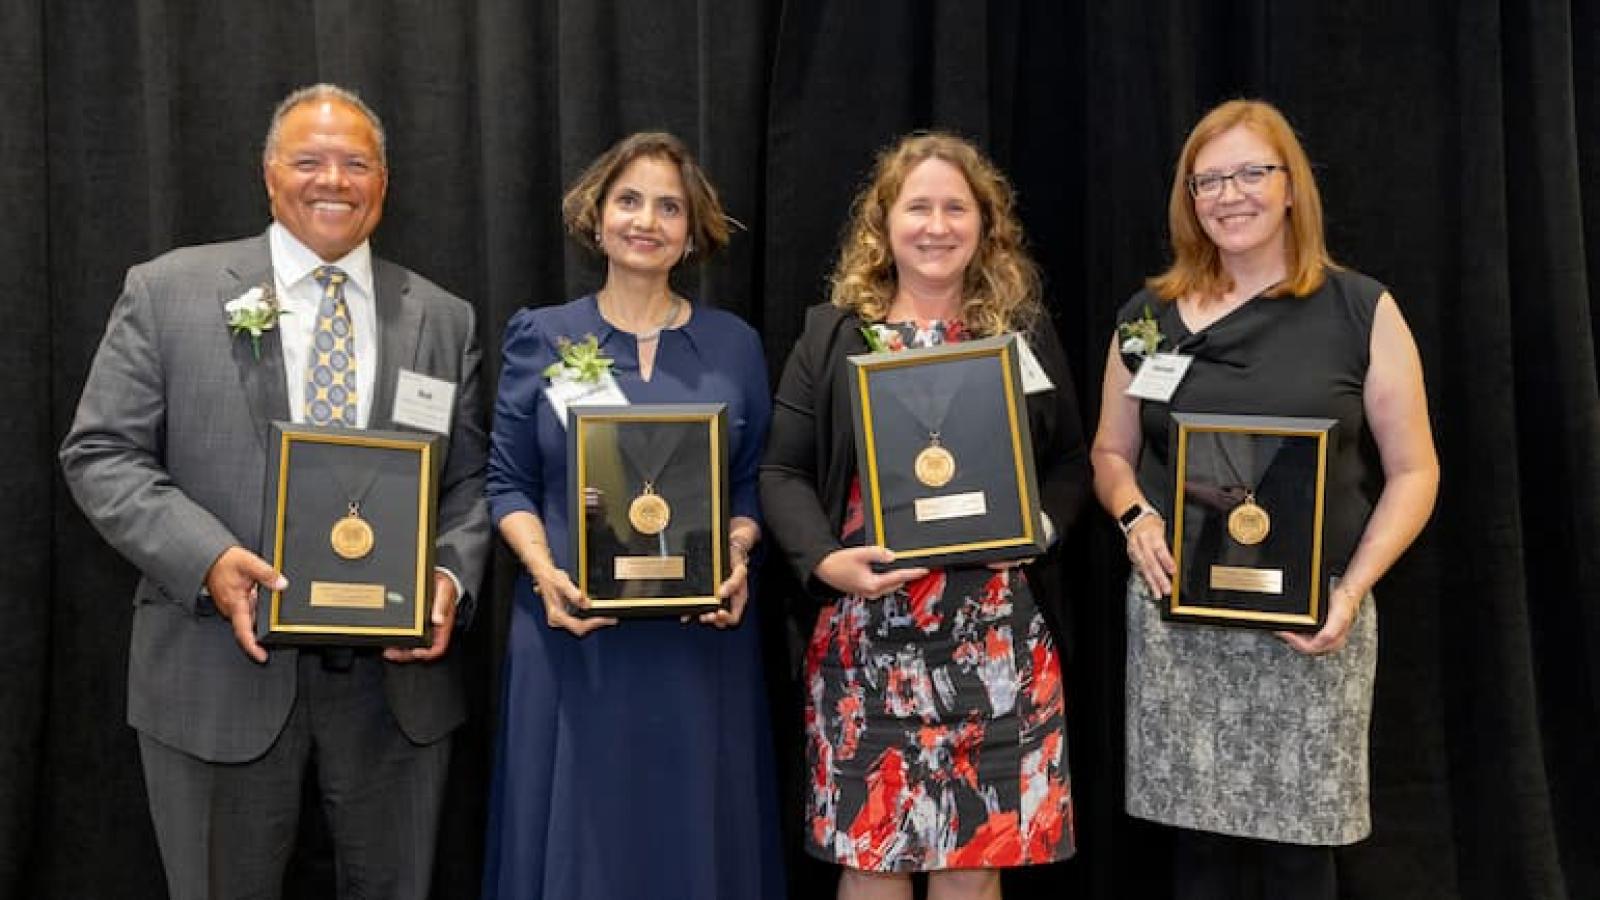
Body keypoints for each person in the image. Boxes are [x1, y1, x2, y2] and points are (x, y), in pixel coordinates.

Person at [58, 84, 490, 899]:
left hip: (396, 695)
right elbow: (101, 453)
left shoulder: (441, 317)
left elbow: (469, 482)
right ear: (269, 176)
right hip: (217, 675)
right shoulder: (168, 292)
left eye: (356, 163)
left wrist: (448, 578)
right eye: (310, 160)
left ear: (384, 183)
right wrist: (210, 559)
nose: (334, 180)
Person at [1090, 99, 1439, 900]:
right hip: (1183, 622)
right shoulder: (1147, 321)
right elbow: (1110, 451)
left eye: (1251, 172)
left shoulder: (1362, 309)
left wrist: (1351, 592)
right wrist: (1135, 515)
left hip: (1312, 624)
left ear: (1291, 188)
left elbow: (1416, 470)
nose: (1228, 194)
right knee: (1199, 858)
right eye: (1207, 179)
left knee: (1299, 857)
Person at [761, 132, 1088, 900]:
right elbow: (781, 470)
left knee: (972, 872)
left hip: (995, 646)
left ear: (985, 225)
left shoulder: (1021, 333)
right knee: (871, 865)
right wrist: (823, 561)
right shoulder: (832, 334)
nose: (936, 226)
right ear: (884, 222)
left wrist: (1040, 529)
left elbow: (1071, 462)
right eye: (918, 207)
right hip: (868, 642)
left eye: (956, 208)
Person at [481, 131, 784, 900]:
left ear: (693, 229)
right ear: (598, 214)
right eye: (629, 200)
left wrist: (740, 554)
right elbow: (508, 482)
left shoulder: (735, 345)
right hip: (573, 637)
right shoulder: (542, 335)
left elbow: (747, 488)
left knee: (691, 841)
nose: (646, 220)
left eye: (669, 206)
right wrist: (545, 573)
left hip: (698, 648)